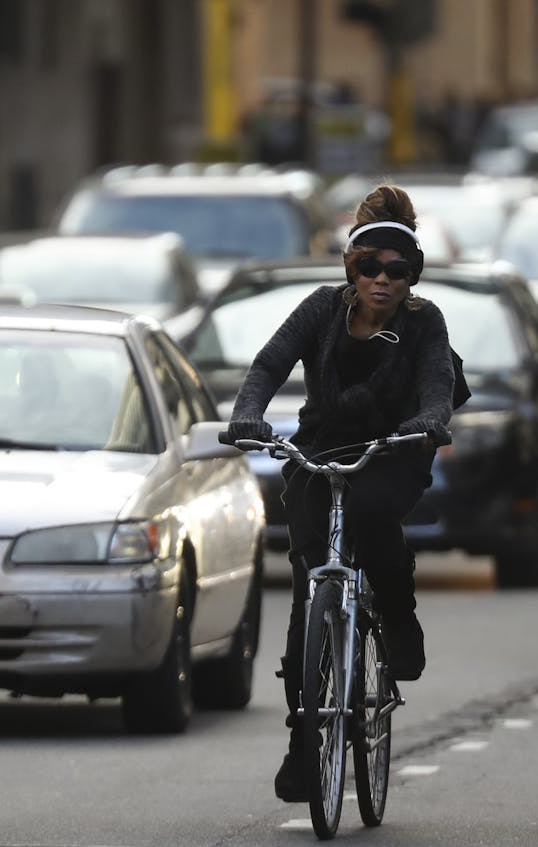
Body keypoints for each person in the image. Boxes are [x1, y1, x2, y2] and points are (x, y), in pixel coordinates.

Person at [225, 183, 456, 803]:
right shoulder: (322, 309)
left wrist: (430, 418)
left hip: (394, 446)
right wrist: (249, 413)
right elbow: (269, 365)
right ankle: (305, 741)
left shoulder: (423, 322)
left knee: (374, 517)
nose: (382, 280)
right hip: (321, 447)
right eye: (369, 267)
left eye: (397, 271)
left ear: (412, 278)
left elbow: (437, 382)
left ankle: (400, 624)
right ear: (350, 270)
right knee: (308, 590)